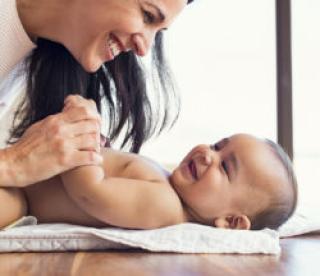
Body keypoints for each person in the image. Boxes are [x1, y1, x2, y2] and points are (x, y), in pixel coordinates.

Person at [0, 0, 194, 188]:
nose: (144, 49)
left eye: (158, 33)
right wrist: (14, 163)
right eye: (147, 15)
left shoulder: (42, 73)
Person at [0, 133, 297, 230]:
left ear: (231, 222)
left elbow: (90, 192)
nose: (209, 155)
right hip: (25, 173)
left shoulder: (165, 206)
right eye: (218, 145)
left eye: (225, 168)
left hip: (24, 197)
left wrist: (83, 138)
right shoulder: (168, 184)